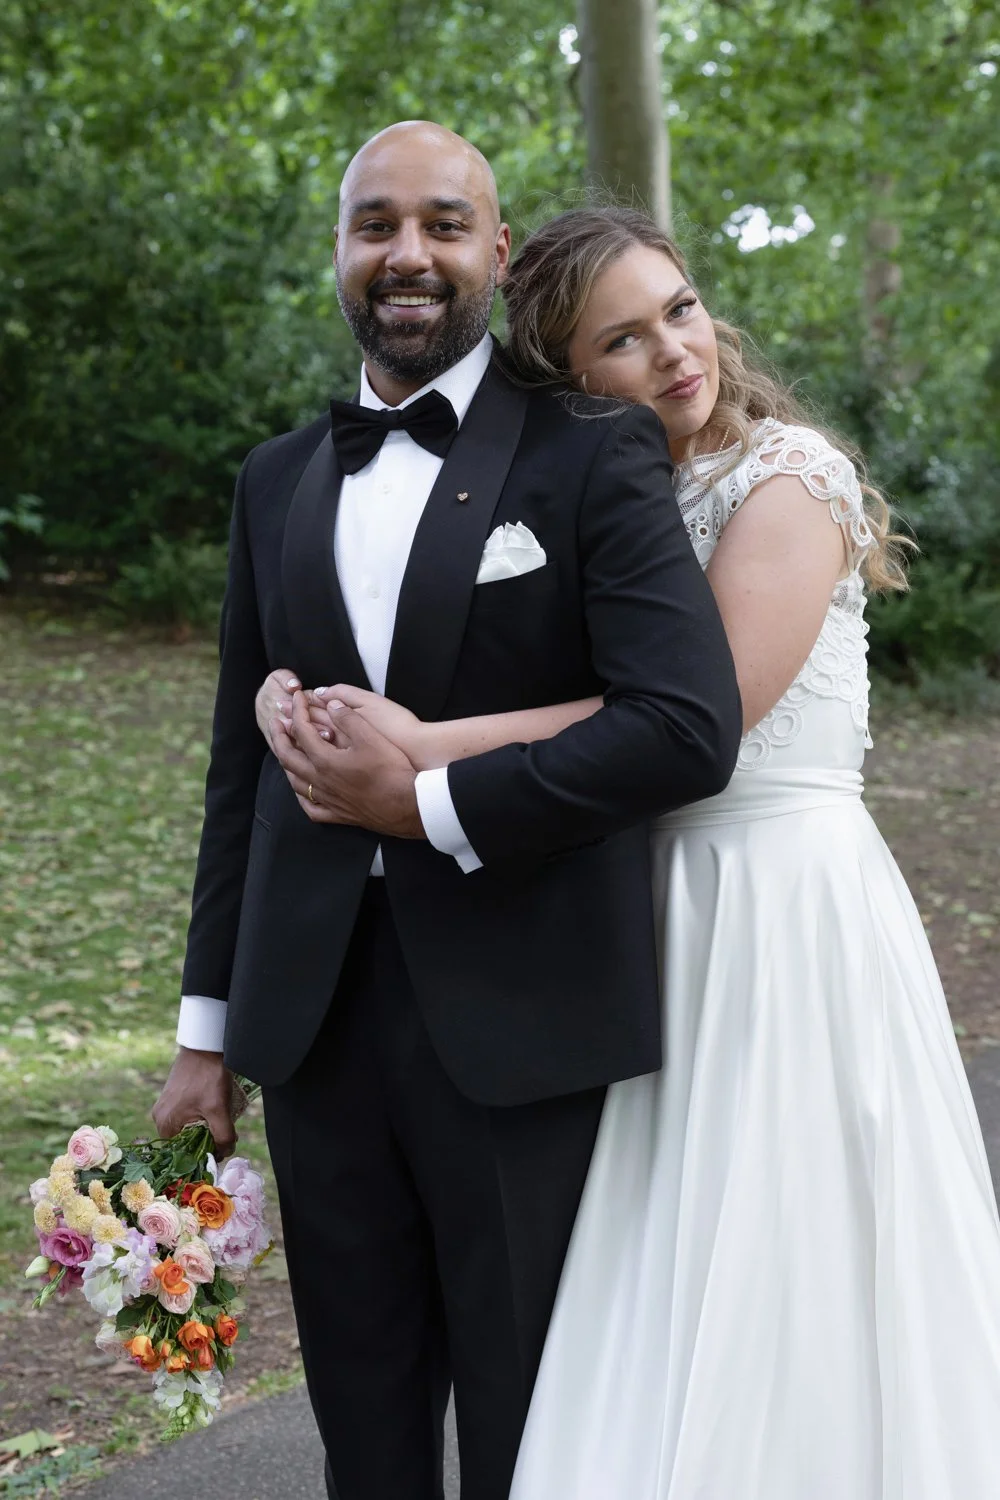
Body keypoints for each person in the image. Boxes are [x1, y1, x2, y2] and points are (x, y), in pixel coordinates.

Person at [260, 206, 1000, 1497]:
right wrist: (307, 703)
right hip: (629, 903)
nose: (671, 351)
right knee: (642, 1267)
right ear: (566, 374)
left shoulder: (789, 476)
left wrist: (419, 748)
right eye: (621, 340)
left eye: (682, 308)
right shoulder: (589, 495)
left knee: (792, 1240)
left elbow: (693, 712)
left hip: (778, 904)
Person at [153, 138, 742, 1500]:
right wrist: (204, 1035)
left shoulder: (593, 450)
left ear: (494, 247)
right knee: (362, 1419)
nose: (406, 254)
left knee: (531, 1419)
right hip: (311, 1023)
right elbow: (239, 774)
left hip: (520, 1012)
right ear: (342, 253)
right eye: (375, 226)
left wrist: (426, 800)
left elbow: (682, 728)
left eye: (442, 224)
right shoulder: (275, 478)